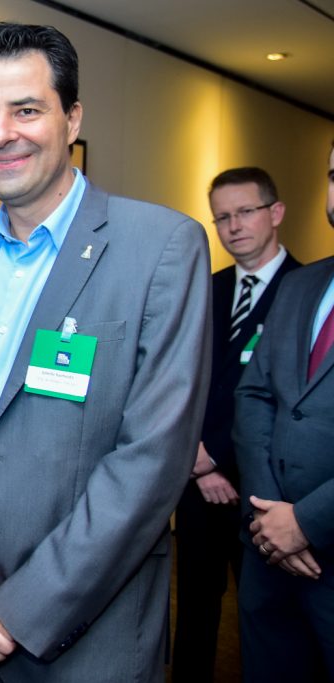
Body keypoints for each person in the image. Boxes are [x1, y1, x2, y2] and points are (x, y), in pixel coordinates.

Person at [0, 22, 211, 682]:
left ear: (72, 117)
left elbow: (151, 462)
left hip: (82, 639)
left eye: (26, 109)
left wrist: (14, 612)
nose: (2, 134)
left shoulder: (162, 248)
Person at [172, 167, 300, 681]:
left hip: (267, 492)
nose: (233, 226)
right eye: (221, 217)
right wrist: (198, 464)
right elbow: (177, 378)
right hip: (195, 483)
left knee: (268, 620)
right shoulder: (205, 289)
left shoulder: (309, 289)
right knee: (195, 611)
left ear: (275, 213)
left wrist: (218, 458)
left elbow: (288, 400)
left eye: (245, 212)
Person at [232, 142, 334, 682]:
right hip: (267, 553)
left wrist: (305, 522)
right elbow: (255, 397)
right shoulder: (301, 285)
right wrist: (268, 516)